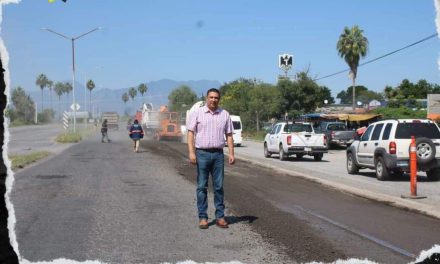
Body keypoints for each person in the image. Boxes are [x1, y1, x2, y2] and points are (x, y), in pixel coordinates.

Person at [187, 88, 235, 229]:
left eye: (216, 98)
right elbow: (190, 133)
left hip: (218, 155)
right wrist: (191, 152)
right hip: (202, 153)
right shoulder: (197, 113)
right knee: (202, 186)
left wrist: (231, 153)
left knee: (219, 187)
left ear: (219, 99)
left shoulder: (224, 114)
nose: (213, 100)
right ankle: (203, 217)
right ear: (207, 98)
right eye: (211, 97)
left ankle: (220, 217)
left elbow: (229, 135)